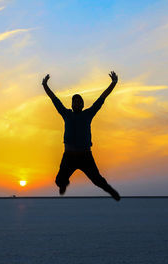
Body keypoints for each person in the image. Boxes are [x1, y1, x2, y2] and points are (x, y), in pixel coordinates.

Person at [42, 72, 121, 201]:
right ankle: (63, 184)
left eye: (80, 103)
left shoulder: (88, 114)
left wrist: (113, 83)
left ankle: (112, 192)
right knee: (59, 180)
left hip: (85, 156)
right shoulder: (66, 114)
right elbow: (54, 99)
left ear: (83, 105)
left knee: (97, 180)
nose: (78, 104)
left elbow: (102, 98)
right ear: (72, 105)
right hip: (69, 156)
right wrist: (45, 85)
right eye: (75, 102)